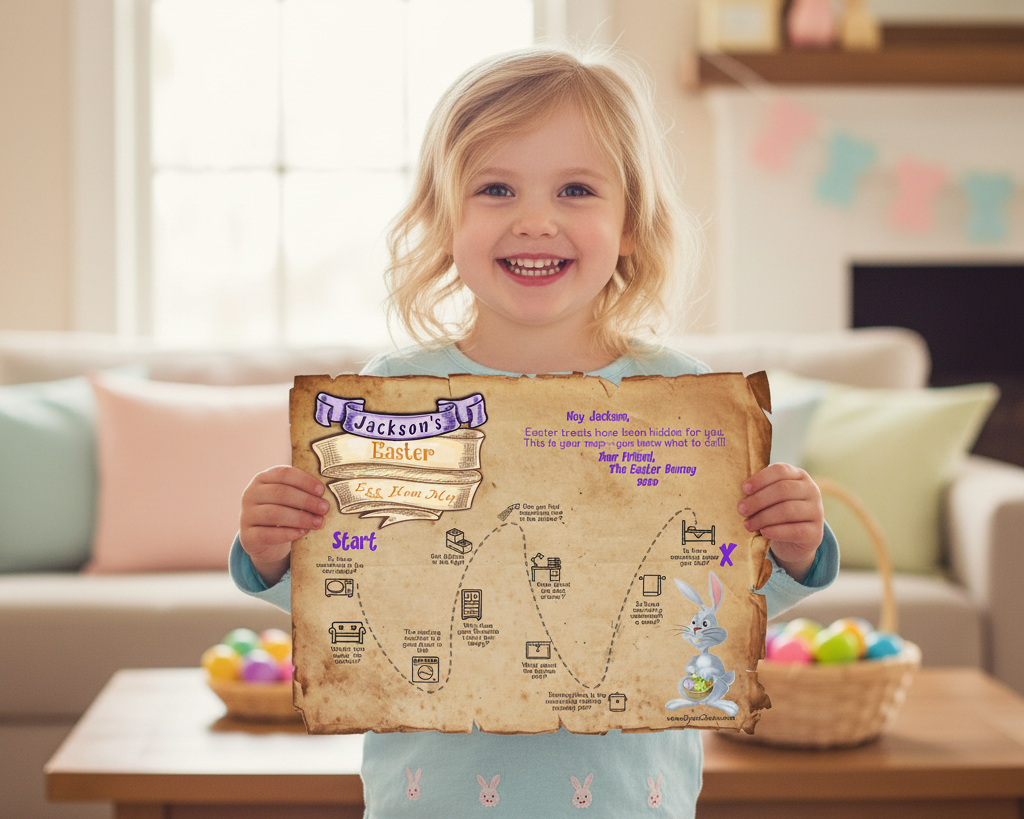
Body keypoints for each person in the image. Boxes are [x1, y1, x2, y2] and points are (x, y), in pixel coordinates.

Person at [233, 45, 838, 818]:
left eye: (576, 189)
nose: (535, 220)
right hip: (432, 798)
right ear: (447, 220)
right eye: (495, 188)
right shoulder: (394, 388)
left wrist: (794, 545)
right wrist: (271, 549)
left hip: (630, 799)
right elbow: (351, 585)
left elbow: (723, 592)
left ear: (629, 224)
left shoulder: (680, 396)